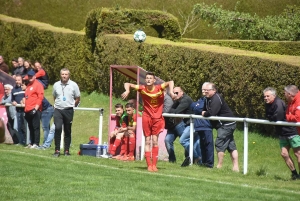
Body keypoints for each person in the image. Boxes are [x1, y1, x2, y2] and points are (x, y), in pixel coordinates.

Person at [121, 72, 174, 172]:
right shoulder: (142, 88)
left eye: (151, 78)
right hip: (147, 117)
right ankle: (149, 165)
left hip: (157, 118)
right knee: (147, 141)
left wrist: (171, 92)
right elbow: (127, 83)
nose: (149, 80)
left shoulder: (159, 88)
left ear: (154, 80)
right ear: (145, 80)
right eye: (147, 78)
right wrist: (127, 90)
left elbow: (170, 82)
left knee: (155, 141)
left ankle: (154, 165)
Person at [201, 82, 239, 172]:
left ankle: (219, 166)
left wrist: (205, 113)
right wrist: (205, 112)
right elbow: (204, 109)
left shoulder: (216, 98)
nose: (205, 92)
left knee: (219, 143)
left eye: (207, 90)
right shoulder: (207, 98)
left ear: (214, 90)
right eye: (205, 90)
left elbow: (211, 112)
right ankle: (236, 168)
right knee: (231, 146)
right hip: (223, 125)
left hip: (227, 124)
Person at [264, 87, 300, 180]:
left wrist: (271, 117)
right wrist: (271, 117)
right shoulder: (268, 104)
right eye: (265, 96)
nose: (266, 98)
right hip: (282, 133)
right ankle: (295, 174)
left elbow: (278, 117)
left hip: (292, 131)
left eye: (268, 96)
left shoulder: (279, 103)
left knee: (298, 154)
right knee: (284, 154)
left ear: (273, 96)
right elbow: (268, 116)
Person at [168, 86, 201, 167]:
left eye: (177, 93)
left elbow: (176, 112)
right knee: (195, 143)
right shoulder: (179, 100)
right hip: (191, 123)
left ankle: (196, 158)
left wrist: (173, 110)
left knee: (183, 140)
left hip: (194, 123)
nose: (175, 94)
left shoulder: (185, 100)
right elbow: (170, 110)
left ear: (182, 92)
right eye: (174, 93)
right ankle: (199, 163)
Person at [52, 68, 80, 157]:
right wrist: (57, 104)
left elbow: (78, 98)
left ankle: (66, 150)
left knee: (67, 130)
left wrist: (72, 105)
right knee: (58, 128)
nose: (64, 76)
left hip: (68, 110)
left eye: (66, 74)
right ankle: (57, 150)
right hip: (58, 110)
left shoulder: (74, 85)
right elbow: (54, 96)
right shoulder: (56, 85)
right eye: (62, 74)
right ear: (60, 75)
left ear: (69, 75)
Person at [190, 82, 214, 168]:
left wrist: (197, 107)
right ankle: (204, 162)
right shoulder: (201, 99)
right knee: (202, 145)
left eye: (205, 89)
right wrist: (197, 107)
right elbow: (192, 106)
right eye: (202, 89)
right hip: (199, 126)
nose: (203, 91)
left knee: (208, 145)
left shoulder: (208, 100)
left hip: (206, 126)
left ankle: (210, 164)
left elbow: (198, 108)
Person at [23, 70, 44, 148]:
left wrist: (36, 108)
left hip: (34, 109)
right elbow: (27, 97)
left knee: (36, 127)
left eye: (32, 76)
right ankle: (31, 142)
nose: (30, 77)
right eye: (29, 76)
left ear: (35, 76)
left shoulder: (38, 85)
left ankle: (36, 143)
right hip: (28, 109)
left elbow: (40, 97)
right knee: (30, 127)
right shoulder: (28, 85)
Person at [11, 75, 26, 145]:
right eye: (16, 80)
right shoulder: (13, 90)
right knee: (18, 127)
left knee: (24, 127)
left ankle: (27, 141)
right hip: (18, 110)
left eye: (19, 80)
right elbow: (12, 99)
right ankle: (21, 141)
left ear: (21, 80)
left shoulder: (24, 88)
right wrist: (13, 102)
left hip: (25, 110)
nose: (17, 81)